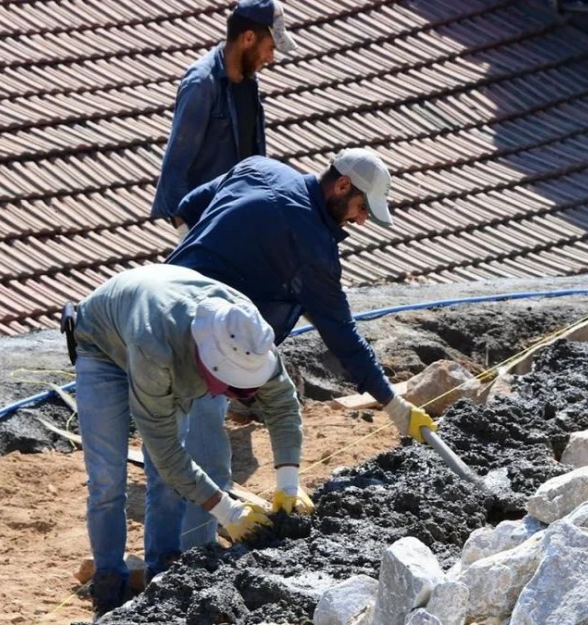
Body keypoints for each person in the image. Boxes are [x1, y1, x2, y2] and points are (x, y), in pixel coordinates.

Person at [164, 148, 437, 549]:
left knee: (169, 444)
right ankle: (192, 562)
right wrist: (392, 404)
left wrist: (194, 266)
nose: (361, 219)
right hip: (213, 348)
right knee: (207, 458)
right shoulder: (311, 246)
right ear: (343, 185)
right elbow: (344, 337)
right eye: (362, 207)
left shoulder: (261, 167)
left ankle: (162, 557)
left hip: (166, 309)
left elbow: (186, 208)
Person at [66, 263, 314, 619]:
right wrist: (227, 511)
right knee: (107, 479)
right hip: (102, 347)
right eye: (232, 387)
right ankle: (109, 585)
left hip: (161, 335)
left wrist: (289, 482)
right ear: (208, 365)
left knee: (168, 485)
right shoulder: (157, 348)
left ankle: (164, 579)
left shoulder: (246, 330)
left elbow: (282, 404)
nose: (236, 396)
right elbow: (166, 450)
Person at [150, 0, 296, 237]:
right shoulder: (201, 84)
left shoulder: (248, 82)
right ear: (248, 38)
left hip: (240, 223)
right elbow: (174, 170)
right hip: (205, 227)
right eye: (270, 47)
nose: (271, 58)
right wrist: (187, 233)